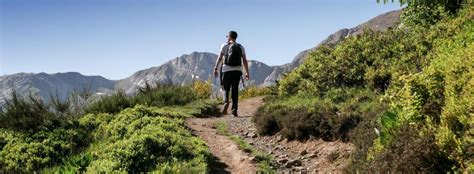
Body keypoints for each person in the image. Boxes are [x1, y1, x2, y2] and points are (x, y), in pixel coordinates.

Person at [213, 31, 250, 117]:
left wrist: (216, 68)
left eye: (227, 37)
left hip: (226, 70)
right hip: (237, 71)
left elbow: (219, 57)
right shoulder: (241, 47)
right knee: (235, 90)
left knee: (226, 88)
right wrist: (247, 72)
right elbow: (244, 60)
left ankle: (226, 102)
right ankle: (234, 110)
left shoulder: (224, 45)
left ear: (229, 37)